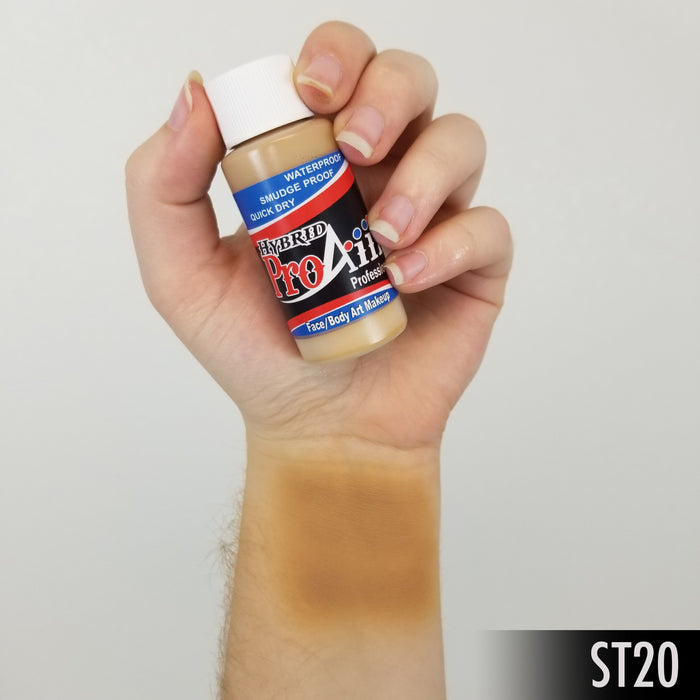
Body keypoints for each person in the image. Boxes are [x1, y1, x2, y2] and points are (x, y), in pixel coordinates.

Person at [126, 20, 512, 699]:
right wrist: (318, 441)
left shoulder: (280, 153)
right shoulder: (252, 161)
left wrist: (353, 448)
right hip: (320, 388)